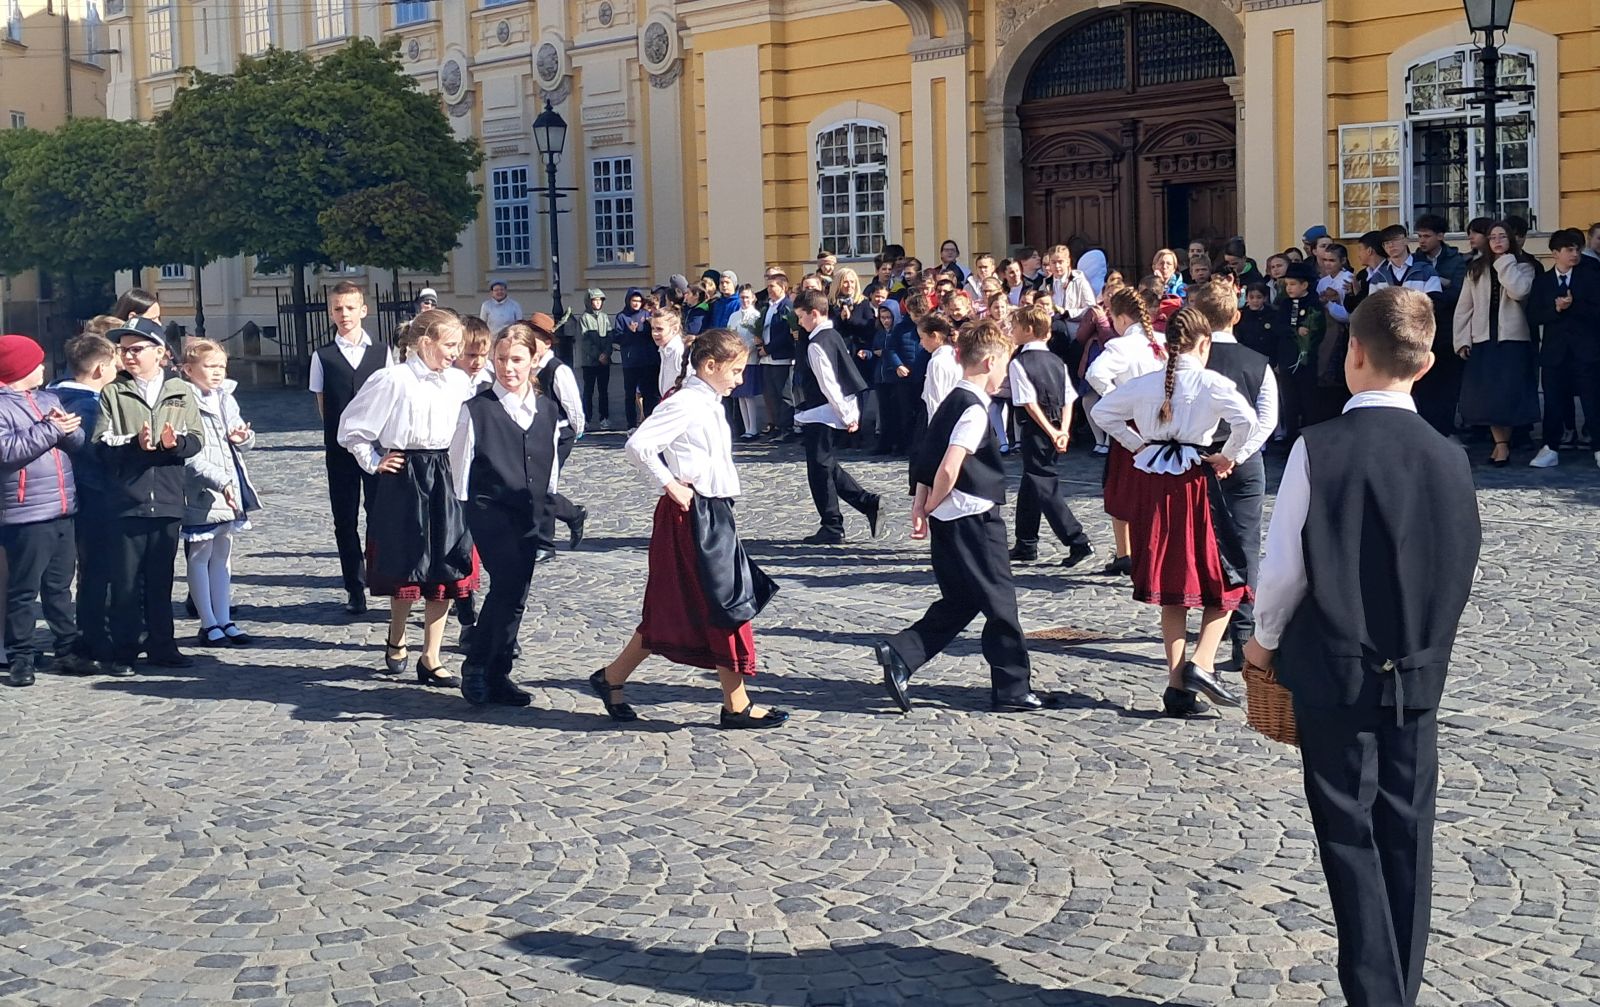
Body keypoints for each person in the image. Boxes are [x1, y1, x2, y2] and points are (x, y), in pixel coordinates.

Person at [1244, 287, 1481, 1007]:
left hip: (1334, 674)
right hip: (1418, 675)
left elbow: (1284, 568)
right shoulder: (1450, 458)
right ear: (1428, 362)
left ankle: (1375, 996)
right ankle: (1398, 992)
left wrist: (1260, 647)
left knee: (1350, 839)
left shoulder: (1321, 447)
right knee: (1409, 837)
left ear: (1352, 353)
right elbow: (1460, 559)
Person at [588, 328, 785, 729]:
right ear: (710, 366)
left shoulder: (708, 401)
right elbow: (638, 444)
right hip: (691, 516)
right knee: (722, 604)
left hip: (713, 512)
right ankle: (736, 705)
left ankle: (612, 678)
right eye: (736, 370)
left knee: (693, 607)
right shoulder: (687, 403)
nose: (740, 379)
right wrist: (671, 484)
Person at [1091, 307, 1258, 718]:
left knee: (1173, 584)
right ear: (1204, 344)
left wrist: (1138, 446)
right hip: (1195, 483)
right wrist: (1226, 457)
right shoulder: (1210, 381)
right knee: (1226, 579)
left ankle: (1177, 687)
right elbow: (1248, 421)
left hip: (1155, 482)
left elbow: (1102, 412)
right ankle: (1201, 663)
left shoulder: (1146, 383)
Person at [874, 320, 1045, 715]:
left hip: (950, 519)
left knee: (962, 600)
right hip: (973, 517)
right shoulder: (974, 409)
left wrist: (922, 505)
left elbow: (925, 455)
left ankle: (901, 652)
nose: (1005, 374)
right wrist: (931, 502)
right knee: (1001, 604)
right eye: (1003, 365)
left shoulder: (952, 399)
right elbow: (948, 466)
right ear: (988, 362)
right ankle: (1013, 688)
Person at [338, 308, 479, 688]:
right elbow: (351, 429)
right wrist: (374, 460)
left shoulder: (457, 381)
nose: (455, 353)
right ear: (425, 342)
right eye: (450, 345)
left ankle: (431, 656)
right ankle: (396, 634)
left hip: (444, 473)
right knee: (408, 562)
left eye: (458, 346)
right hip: (406, 475)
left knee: (447, 565)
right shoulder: (393, 379)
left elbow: (470, 428)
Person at [450, 323, 561, 707]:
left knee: (516, 596)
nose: (507, 368)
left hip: (529, 514)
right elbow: (460, 474)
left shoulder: (546, 410)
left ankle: (499, 674)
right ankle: (478, 663)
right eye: (501, 359)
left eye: (516, 360)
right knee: (508, 584)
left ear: (534, 360)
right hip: (488, 511)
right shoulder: (477, 410)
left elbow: (550, 470)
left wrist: (549, 519)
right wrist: (461, 528)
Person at [97, 318, 204, 675]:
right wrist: (135, 444)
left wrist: (177, 444)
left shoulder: (180, 390)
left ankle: (163, 645)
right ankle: (125, 650)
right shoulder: (113, 392)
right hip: (127, 499)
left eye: (136, 349)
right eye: (123, 350)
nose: (128, 356)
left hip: (169, 498)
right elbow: (102, 441)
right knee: (125, 581)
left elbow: (196, 437)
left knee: (161, 579)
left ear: (160, 353)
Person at [1191, 281, 1277, 670]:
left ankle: (1214, 618)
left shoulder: (1191, 364)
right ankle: (1242, 630)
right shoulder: (1257, 362)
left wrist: (1217, 455)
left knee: (1201, 543)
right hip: (1243, 462)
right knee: (1244, 545)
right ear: (1237, 316)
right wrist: (1237, 454)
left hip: (1199, 461)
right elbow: (1267, 419)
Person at [0, 335, 86, 687]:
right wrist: (51, 429)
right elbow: (7, 452)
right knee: (23, 589)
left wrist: (69, 431)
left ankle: (67, 648)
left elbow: (76, 445)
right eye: (36, 363)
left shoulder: (48, 397)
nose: (42, 368)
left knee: (60, 586)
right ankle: (20, 655)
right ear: (19, 369)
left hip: (62, 506)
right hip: (25, 512)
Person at [309, 280, 394, 615]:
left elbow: (391, 398)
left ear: (363, 310)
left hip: (376, 447)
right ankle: (353, 586)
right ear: (331, 312)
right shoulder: (323, 356)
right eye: (337, 308)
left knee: (380, 514)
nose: (343, 314)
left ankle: (381, 576)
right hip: (340, 450)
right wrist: (336, 434)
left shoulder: (382, 352)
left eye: (349, 307)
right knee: (344, 519)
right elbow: (322, 401)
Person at [178, 340, 260, 648]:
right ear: (188, 370)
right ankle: (207, 621)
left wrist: (243, 437)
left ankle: (225, 618)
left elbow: (242, 436)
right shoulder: (183, 399)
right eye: (209, 367)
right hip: (202, 488)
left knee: (223, 553)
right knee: (200, 554)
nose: (217, 373)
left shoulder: (225, 395)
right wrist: (219, 479)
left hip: (230, 484)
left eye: (221, 366)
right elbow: (187, 453)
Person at [48, 332, 120, 674]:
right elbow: (98, 453)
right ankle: (92, 637)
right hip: (92, 497)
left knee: (62, 576)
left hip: (56, 499)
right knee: (95, 573)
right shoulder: (91, 405)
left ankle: (71, 637)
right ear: (100, 369)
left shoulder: (50, 397)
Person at [1006, 303, 1095, 568]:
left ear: (1028, 330)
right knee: (1031, 481)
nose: (1012, 331)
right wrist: (1063, 430)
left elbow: (1029, 403)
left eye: (1015, 327)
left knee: (1043, 484)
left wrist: (1050, 430)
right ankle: (1026, 542)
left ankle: (1077, 540)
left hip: (1037, 429)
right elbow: (1069, 398)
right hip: (1057, 428)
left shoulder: (1019, 362)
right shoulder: (1056, 360)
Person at [1085, 286, 1165, 577]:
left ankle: (1128, 552)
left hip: (1132, 425)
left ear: (1120, 318)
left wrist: (1116, 399)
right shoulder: (1164, 342)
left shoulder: (1121, 347)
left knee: (1123, 490)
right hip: (1164, 423)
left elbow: (1095, 374)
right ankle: (1142, 553)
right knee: (1157, 488)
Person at [792, 289, 882, 544]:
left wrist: (845, 415)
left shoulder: (817, 344)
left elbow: (829, 384)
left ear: (814, 313)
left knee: (819, 469)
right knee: (827, 464)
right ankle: (865, 502)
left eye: (801, 317)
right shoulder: (833, 336)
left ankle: (832, 525)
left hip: (824, 412)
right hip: (833, 409)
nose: (799, 322)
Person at [1453, 220, 1539, 466]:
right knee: (1487, 396)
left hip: (1513, 339)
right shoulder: (1476, 268)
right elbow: (1464, 306)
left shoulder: (1523, 266)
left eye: (1502, 236)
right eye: (1493, 237)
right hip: (1483, 338)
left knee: (1508, 395)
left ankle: (1505, 444)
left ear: (1510, 239)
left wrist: (1505, 262)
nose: (1498, 241)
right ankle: (1500, 444)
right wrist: (1461, 339)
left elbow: (1519, 291)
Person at [1525, 228, 1600, 469]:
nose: (1575, 254)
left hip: (1586, 351)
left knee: (1592, 401)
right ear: (1555, 253)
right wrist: (1556, 310)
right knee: (1554, 402)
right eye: (1569, 249)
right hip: (1555, 353)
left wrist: (1573, 305)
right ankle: (1550, 447)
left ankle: (1599, 447)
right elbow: (1533, 316)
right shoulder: (1543, 282)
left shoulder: (1591, 278)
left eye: (1577, 249)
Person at [530, 312, 589, 552]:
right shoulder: (528, 365)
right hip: (535, 433)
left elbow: (573, 405)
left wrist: (576, 431)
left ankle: (545, 543)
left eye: (534, 338)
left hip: (559, 432)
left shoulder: (557, 370)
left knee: (544, 485)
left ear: (547, 342)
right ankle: (573, 514)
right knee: (534, 483)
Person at [1413, 215, 1468, 438]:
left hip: (1447, 331)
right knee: (1422, 386)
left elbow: (1459, 293)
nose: (1422, 241)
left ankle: (1446, 430)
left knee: (1447, 386)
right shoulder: (1415, 260)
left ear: (1440, 236)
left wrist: (1436, 283)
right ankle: (1424, 430)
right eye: (1419, 236)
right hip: (1421, 332)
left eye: (1426, 236)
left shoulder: (1456, 260)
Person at [875, 292, 925, 454]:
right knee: (905, 413)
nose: (917, 318)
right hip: (904, 377)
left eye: (920, 314)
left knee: (922, 412)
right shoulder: (901, 327)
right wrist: (898, 365)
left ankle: (921, 444)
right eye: (914, 314)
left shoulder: (929, 326)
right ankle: (905, 445)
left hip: (924, 376)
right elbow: (891, 349)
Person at [756, 273, 797, 440]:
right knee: (770, 394)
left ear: (783, 288)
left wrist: (769, 348)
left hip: (780, 357)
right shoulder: (768, 307)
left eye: (773, 286)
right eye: (768, 286)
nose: (769, 290)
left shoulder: (787, 306)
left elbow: (786, 334)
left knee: (783, 394)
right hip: (766, 357)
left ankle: (786, 428)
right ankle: (776, 426)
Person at [612, 288, 657, 431]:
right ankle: (631, 425)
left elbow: (651, 335)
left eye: (639, 301)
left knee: (648, 393)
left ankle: (649, 421)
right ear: (628, 301)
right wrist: (629, 332)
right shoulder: (622, 317)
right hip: (630, 362)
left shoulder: (646, 315)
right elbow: (617, 338)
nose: (636, 303)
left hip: (647, 360)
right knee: (630, 394)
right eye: (634, 300)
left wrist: (643, 329)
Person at [727, 284, 765, 439]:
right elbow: (730, 334)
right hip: (736, 358)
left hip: (750, 357)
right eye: (742, 297)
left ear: (753, 298)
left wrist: (747, 350)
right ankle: (747, 427)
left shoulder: (756, 316)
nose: (744, 300)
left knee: (748, 394)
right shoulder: (734, 316)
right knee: (740, 395)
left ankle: (753, 428)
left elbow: (755, 338)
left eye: (747, 297)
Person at [574, 289, 612, 431]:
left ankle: (604, 417)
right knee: (588, 391)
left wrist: (606, 353)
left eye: (599, 300)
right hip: (589, 362)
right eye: (595, 300)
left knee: (603, 391)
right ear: (589, 302)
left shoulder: (604, 317)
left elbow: (609, 337)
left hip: (604, 361)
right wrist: (598, 355)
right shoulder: (584, 318)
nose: (597, 303)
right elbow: (585, 341)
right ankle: (587, 418)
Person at [653, 308, 687, 402]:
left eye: (659, 329)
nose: (654, 333)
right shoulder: (664, 349)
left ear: (675, 329)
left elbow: (688, 383)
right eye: (653, 328)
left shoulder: (679, 351)